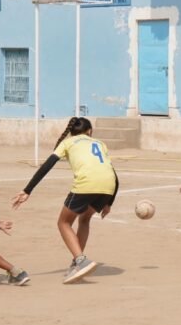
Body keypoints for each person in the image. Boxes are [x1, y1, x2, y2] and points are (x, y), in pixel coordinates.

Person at [11, 117, 118, 284]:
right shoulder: (99, 143)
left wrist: (27, 190)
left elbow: (47, 165)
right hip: (108, 185)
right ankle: (77, 262)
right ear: (89, 131)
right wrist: (109, 202)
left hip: (86, 184)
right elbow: (112, 173)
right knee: (85, 219)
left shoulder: (68, 142)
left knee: (63, 223)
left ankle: (81, 261)